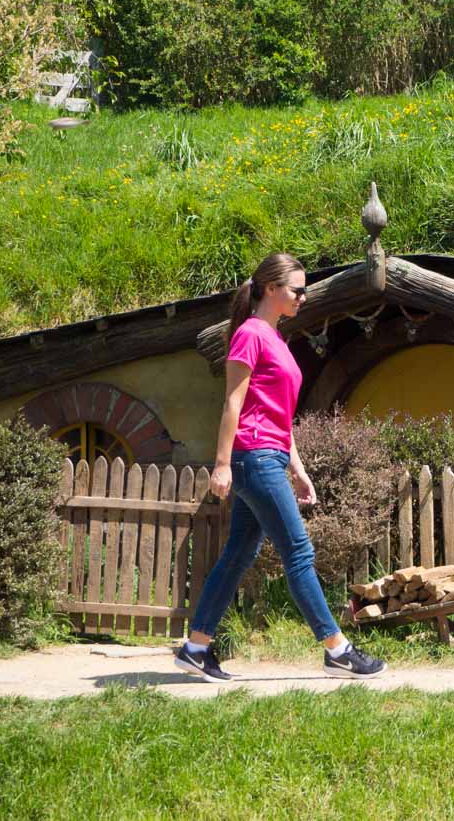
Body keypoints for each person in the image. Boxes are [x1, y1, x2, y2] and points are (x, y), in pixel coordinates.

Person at [175, 252, 386, 682]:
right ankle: (336, 649)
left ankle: (196, 647)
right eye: (296, 290)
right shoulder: (250, 334)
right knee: (299, 552)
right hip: (251, 456)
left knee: (239, 552)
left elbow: (278, 415)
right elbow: (234, 402)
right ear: (270, 289)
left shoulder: (276, 338)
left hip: (269, 455)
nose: (303, 297)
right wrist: (221, 464)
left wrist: (298, 466)